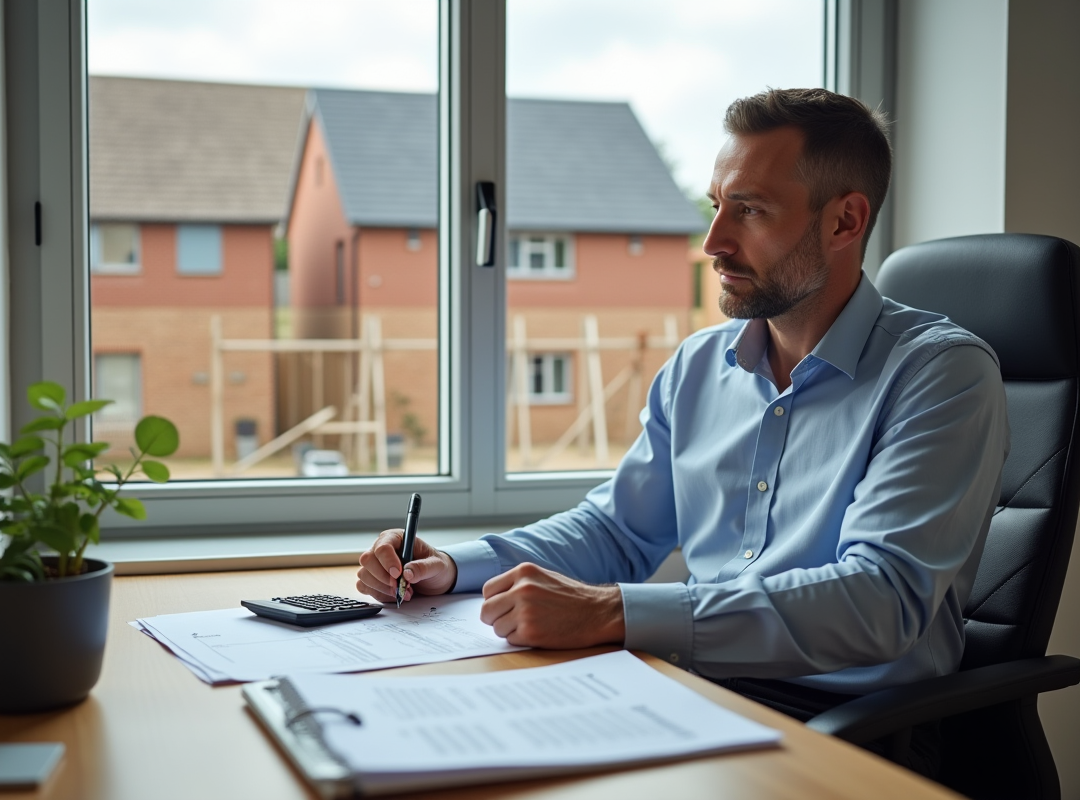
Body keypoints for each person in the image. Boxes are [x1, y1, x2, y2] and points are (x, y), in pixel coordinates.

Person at [356, 88, 1009, 770]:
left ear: (845, 221)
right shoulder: (700, 365)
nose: (713, 241)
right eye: (717, 204)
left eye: (750, 210)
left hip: (859, 734)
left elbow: (880, 601)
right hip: (694, 692)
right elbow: (616, 531)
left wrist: (615, 612)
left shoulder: (941, 374)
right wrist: (455, 567)